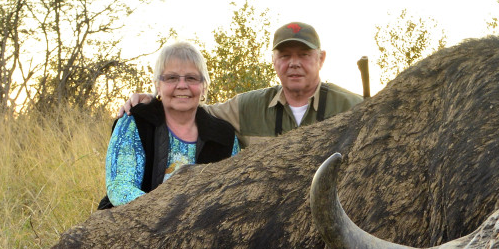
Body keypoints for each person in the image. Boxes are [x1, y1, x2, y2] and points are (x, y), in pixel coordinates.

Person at [122, 21, 363, 149]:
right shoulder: (248, 106)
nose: (294, 63)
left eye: (304, 55)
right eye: (285, 56)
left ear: (321, 58)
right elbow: (192, 111)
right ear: (274, 61)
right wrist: (153, 100)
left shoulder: (354, 106)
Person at [99, 41, 238, 209]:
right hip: (136, 221)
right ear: (158, 85)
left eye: (191, 78)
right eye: (172, 78)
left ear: (203, 86)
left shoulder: (224, 136)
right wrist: (172, 212)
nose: (182, 85)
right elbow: (120, 188)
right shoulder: (134, 122)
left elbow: (232, 195)